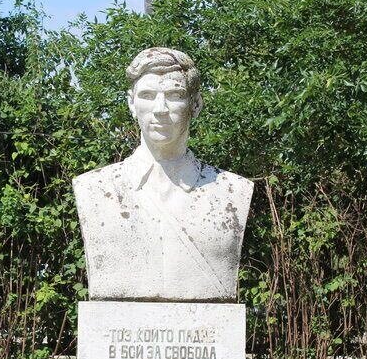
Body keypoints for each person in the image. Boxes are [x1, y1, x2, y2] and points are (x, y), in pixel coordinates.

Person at [73, 47, 254, 301]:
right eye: (147, 95)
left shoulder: (230, 192)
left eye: (174, 95)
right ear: (131, 103)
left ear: (196, 105)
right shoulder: (94, 188)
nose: (160, 108)